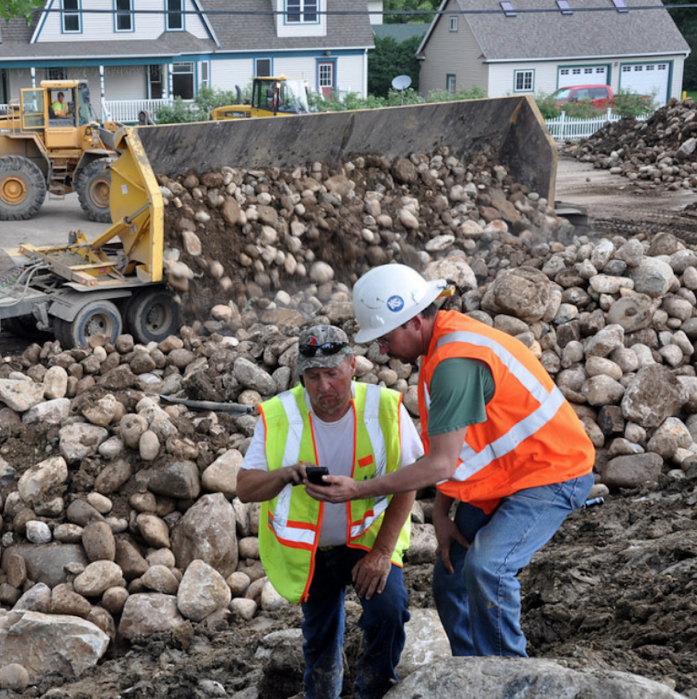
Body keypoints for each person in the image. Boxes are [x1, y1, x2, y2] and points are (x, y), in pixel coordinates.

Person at [313, 263, 595, 658]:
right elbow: (454, 452)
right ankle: (469, 670)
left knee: (487, 569)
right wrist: (443, 514)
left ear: (413, 322)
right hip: (510, 475)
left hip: (553, 473)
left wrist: (359, 489)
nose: (381, 349)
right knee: (451, 576)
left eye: (385, 336)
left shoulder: (454, 363)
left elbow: (440, 464)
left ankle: (504, 677)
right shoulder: (440, 348)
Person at [236, 324, 424, 699]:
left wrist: (383, 553)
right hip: (311, 552)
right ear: (301, 375)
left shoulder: (384, 407)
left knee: (388, 612)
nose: (323, 387)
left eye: (332, 374)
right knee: (320, 638)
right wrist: (287, 474)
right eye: (313, 376)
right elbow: (245, 488)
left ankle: (372, 690)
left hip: (368, 540)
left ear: (352, 366)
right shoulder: (279, 415)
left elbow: (408, 481)